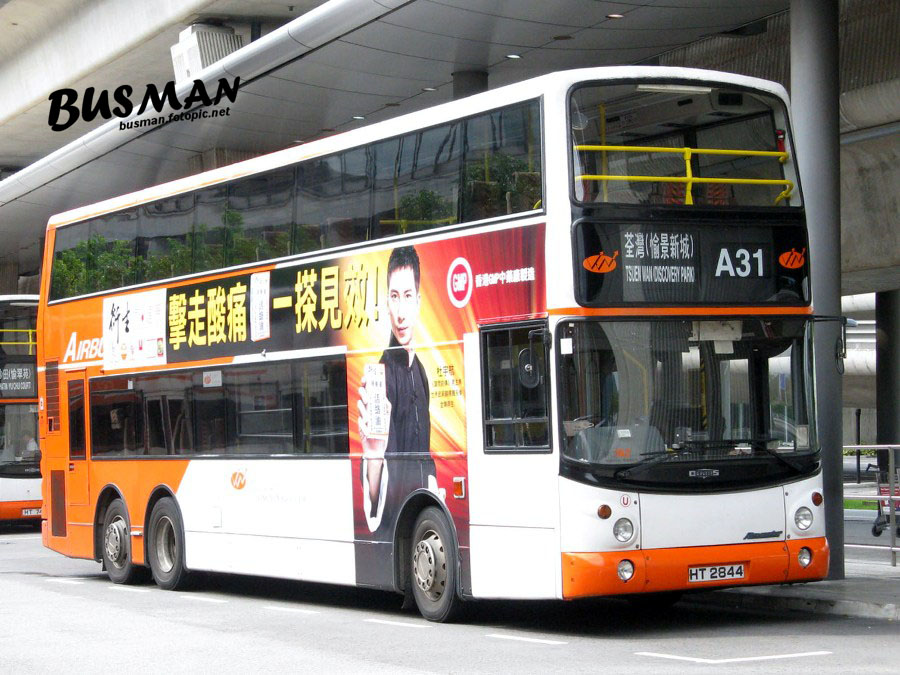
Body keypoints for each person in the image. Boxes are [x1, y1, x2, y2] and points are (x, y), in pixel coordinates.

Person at [357, 246, 437, 535]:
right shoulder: (381, 376)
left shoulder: (422, 372)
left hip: (423, 510)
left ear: (418, 302)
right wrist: (373, 458)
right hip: (396, 524)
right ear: (387, 303)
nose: (401, 313)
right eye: (394, 296)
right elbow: (375, 494)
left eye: (407, 296)